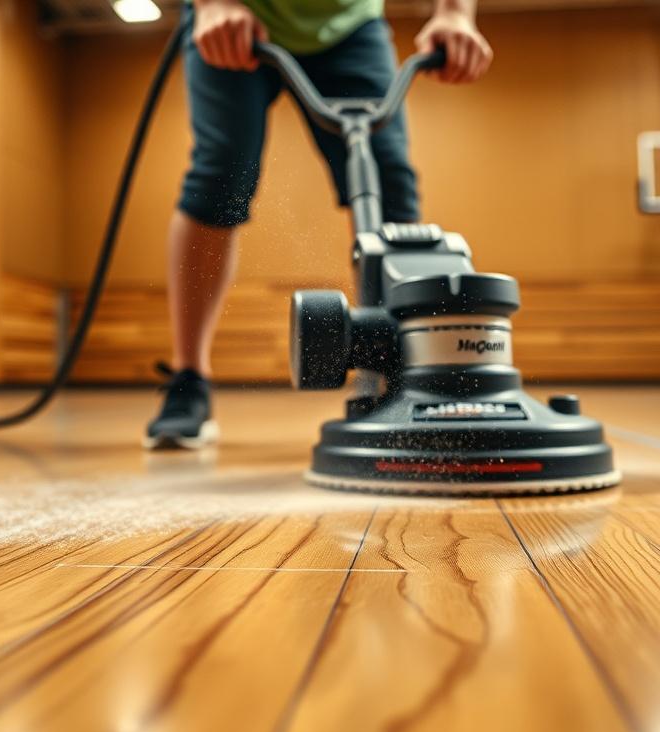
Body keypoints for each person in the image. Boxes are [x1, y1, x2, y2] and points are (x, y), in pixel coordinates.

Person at [144, 0, 492, 449]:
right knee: (221, 175)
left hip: (350, 22)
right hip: (237, 16)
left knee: (388, 181)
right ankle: (189, 376)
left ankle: (405, 371)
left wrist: (456, 13)